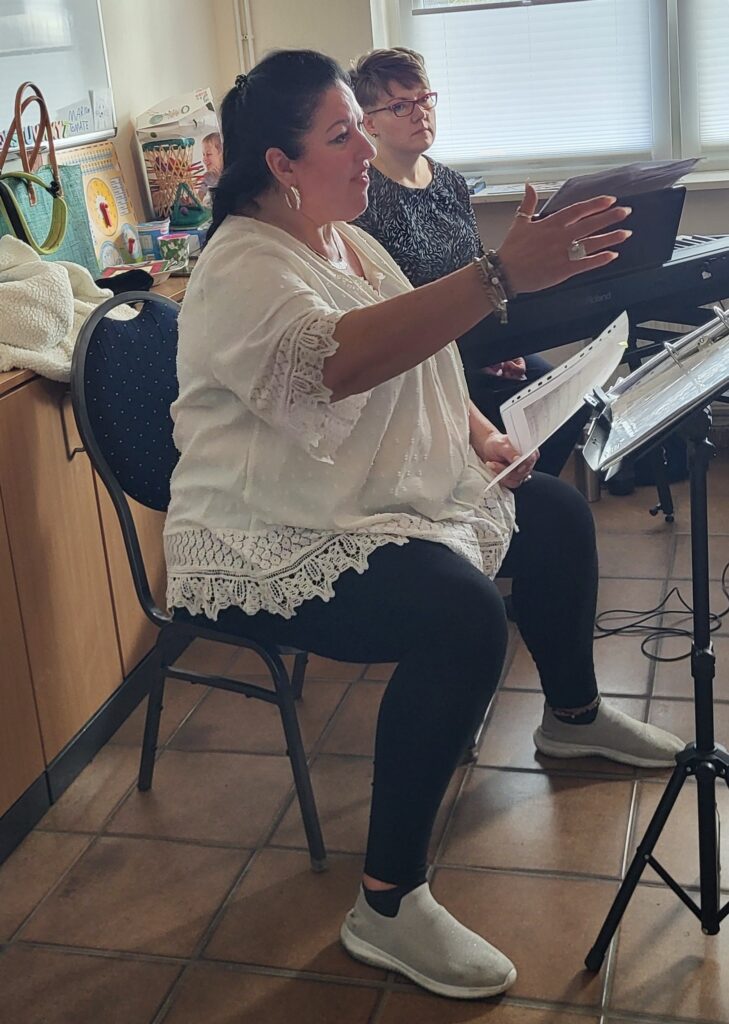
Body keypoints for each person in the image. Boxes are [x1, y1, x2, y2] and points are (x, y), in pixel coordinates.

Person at [165, 49, 683, 1000]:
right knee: (460, 618)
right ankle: (387, 901)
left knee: (552, 511)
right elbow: (340, 364)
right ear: (280, 164)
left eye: (360, 130)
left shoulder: (345, 239)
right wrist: (499, 275)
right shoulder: (241, 264)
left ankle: (571, 720)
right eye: (342, 135)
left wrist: (484, 438)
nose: (367, 150)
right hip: (267, 527)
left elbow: (422, 356)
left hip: (357, 491)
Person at [351, 47, 587, 477]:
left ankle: (521, 496)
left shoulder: (451, 182)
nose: (420, 113)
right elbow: (383, 309)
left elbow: (482, 274)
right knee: (514, 414)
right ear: (369, 123)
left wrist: (505, 344)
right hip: (420, 359)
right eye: (400, 106)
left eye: (425, 99)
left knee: (567, 402)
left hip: (482, 342)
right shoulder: (362, 199)